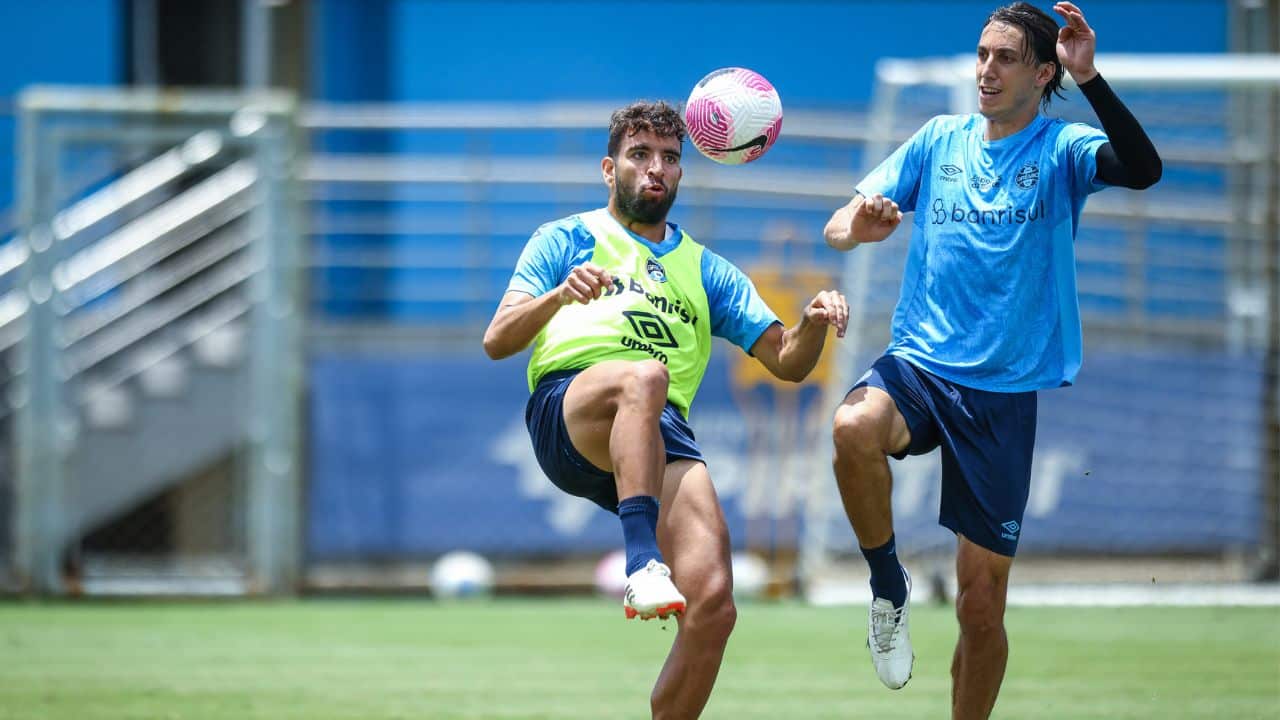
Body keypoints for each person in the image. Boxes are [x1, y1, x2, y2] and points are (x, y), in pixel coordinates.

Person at [823, 2, 1161, 717]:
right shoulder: (938, 139)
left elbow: (1142, 168)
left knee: (980, 608)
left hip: (1003, 395)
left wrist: (1091, 77)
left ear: (1042, 74)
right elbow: (837, 228)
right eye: (981, 53)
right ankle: (888, 586)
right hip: (920, 364)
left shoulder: (1063, 150)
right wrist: (864, 223)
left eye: (1005, 58)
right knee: (852, 427)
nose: (986, 68)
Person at [484, 100, 848, 718]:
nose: (656, 169)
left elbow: (787, 360)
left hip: (658, 432)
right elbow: (498, 339)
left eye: (670, 159)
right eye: (640, 155)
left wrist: (811, 321)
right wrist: (556, 296)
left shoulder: (707, 270)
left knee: (713, 605)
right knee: (643, 376)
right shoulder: (565, 238)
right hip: (572, 408)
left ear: (682, 172)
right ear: (609, 168)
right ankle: (641, 560)